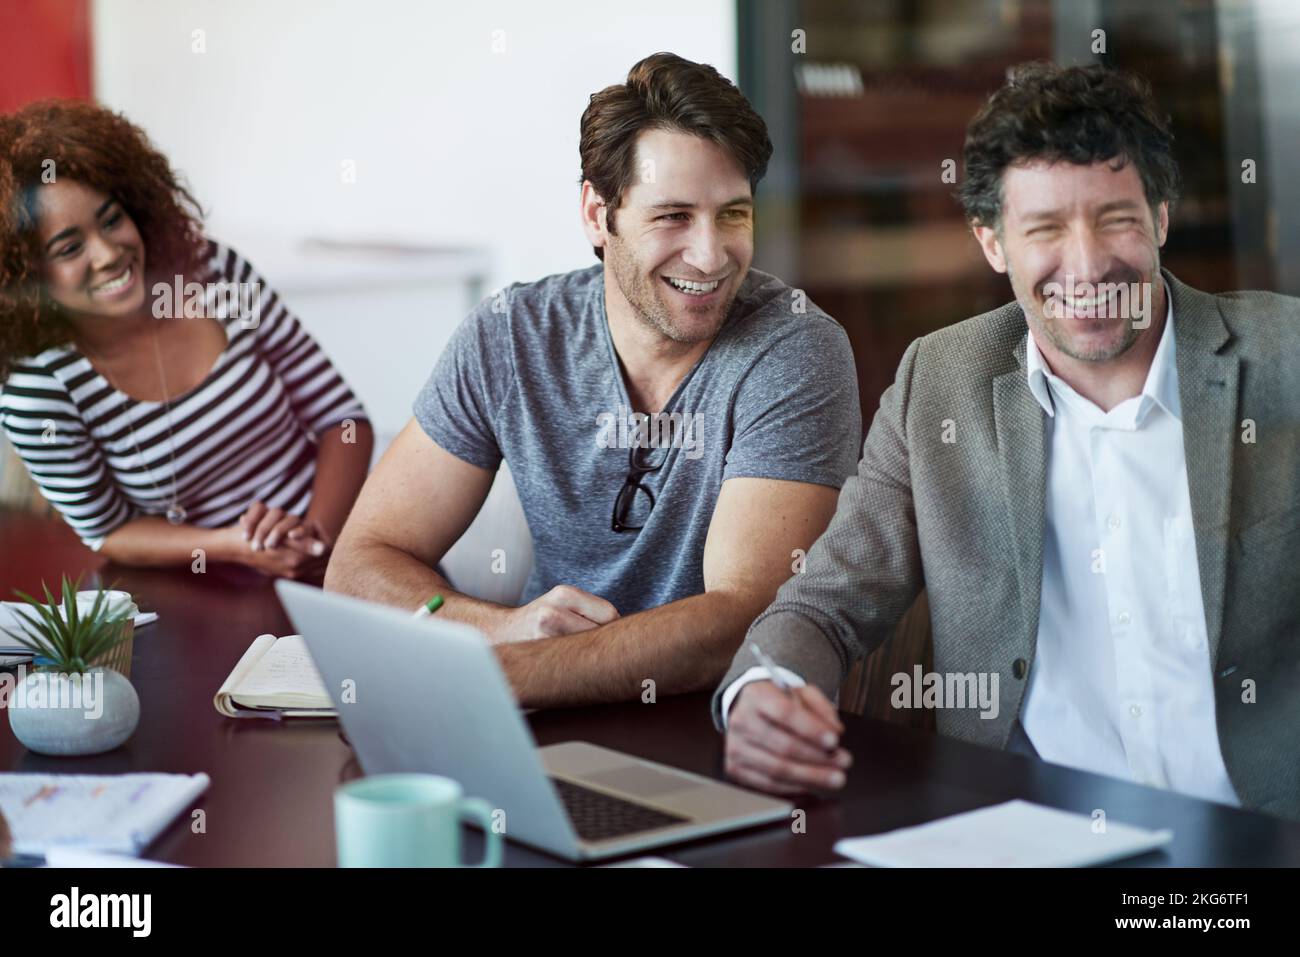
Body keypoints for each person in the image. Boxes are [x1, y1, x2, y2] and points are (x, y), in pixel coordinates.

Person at [717, 62, 1300, 820]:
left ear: (1160, 217)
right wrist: (765, 690)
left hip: (1258, 840)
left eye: (1116, 219)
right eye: (1045, 229)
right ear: (992, 242)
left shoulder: (1285, 358)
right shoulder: (940, 382)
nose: (1087, 265)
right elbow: (827, 604)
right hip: (1029, 831)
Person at [325, 53, 862, 707]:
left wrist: (507, 675)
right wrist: (500, 630)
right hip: (534, 715)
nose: (711, 254)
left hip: (707, 726)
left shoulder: (795, 349)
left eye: (733, 214)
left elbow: (739, 619)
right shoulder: (509, 336)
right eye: (672, 216)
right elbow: (359, 564)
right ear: (595, 214)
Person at [0, 100, 373, 579]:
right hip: (204, 589)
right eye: (70, 248)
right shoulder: (39, 391)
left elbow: (341, 420)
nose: (109, 254)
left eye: (112, 219)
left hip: (338, 544)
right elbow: (108, 531)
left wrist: (314, 538)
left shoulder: (212, 273)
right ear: (27, 273)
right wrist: (235, 546)